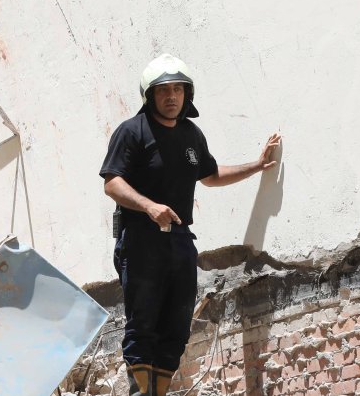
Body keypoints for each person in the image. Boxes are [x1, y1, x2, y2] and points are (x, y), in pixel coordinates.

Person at [100, 54, 282, 396]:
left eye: (177, 89)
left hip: (181, 240)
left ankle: (158, 392)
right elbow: (113, 183)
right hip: (141, 240)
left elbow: (210, 175)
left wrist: (256, 166)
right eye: (163, 90)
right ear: (150, 95)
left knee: (178, 324)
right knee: (144, 323)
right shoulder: (132, 131)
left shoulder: (191, 134)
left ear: (187, 94)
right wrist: (149, 206)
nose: (171, 96)